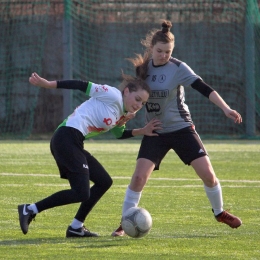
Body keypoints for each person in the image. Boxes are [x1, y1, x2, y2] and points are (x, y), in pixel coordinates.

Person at [112, 20, 243, 237]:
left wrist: (226, 108)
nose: (163, 55)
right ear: (151, 48)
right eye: (159, 51)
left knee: (209, 175)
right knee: (138, 178)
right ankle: (126, 221)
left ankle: (219, 213)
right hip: (156, 131)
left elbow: (204, 88)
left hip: (182, 129)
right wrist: (127, 115)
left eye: (168, 51)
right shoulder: (142, 70)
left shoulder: (179, 68)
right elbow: (135, 97)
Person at [18, 72, 162, 238]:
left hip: (75, 142)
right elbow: (81, 85)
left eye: (143, 103)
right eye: (137, 99)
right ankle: (30, 209)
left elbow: (119, 134)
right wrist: (48, 84)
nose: (139, 105)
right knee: (81, 192)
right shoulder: (112, 94)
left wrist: (142, 131)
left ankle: (76, 227)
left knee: (104, 181)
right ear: (127, 91)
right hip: (66, 137)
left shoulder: (122, 114)